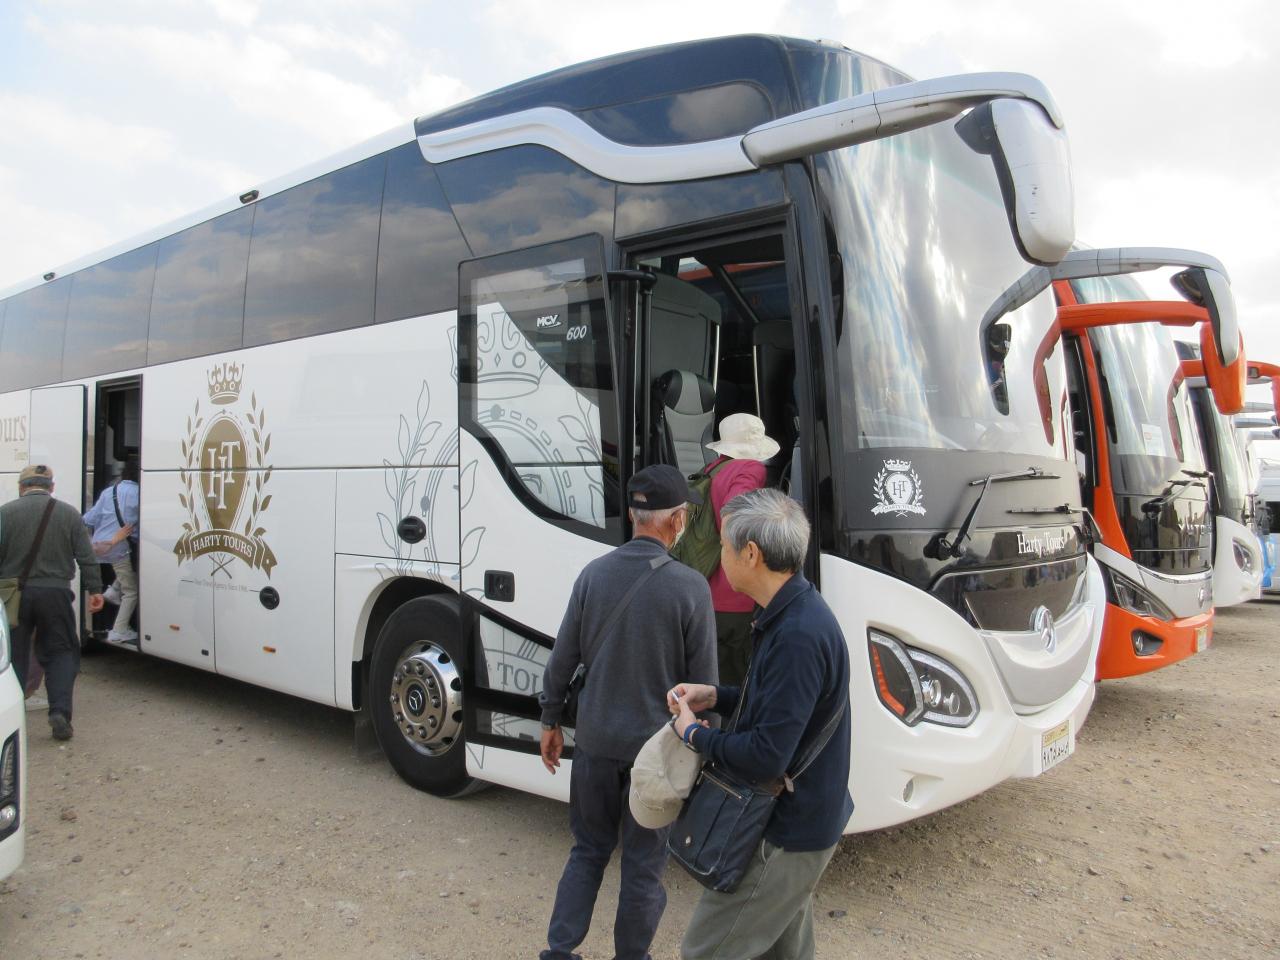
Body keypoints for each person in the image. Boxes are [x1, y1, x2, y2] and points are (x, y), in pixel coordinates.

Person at [538, 463, 718, 960]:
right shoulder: (690, 588)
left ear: (636, 516)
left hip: (595, 744)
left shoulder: (593, 575)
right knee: (643, 869)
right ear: (675, 521)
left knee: (587, 851)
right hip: (655, 757)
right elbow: (704, 691)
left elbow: (562, 660)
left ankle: (559, 951)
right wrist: (706, 756)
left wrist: (550, 721)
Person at [669, 488, 852, 960]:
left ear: (750, 554)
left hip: (785, 832)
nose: (720, 557)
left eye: (724, 545)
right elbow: (779, 708)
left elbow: (767, 754)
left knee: (704, 952)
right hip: (803, 821)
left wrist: (694, 734)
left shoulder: (797, 635)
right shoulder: (795, 611)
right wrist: (715, 695)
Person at [0, 465, 104, 740]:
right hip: (56, 594)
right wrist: (95, 589)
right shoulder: (69, 514)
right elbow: (86, 555)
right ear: (51, 487)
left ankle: (12, 716)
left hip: (13, 597)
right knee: (61, 652)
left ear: (21, 487)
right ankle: (59, 712)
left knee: (14, 655)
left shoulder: (5, 513)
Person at [702, 413, 778, 687]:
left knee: (714, 679)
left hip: (710, 590)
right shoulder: (751, 469)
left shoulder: (713, 469)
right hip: (737, 596)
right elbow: (733, 516)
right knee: (738, 685)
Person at [82, 457, 140, 643]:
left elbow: (89, 519)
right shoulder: (139, 493)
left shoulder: (109, 491)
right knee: (131, 591)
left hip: (101, 545)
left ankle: (113, 591)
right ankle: (119, 630)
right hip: (119, 547)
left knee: (128, 571)